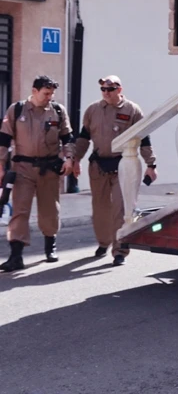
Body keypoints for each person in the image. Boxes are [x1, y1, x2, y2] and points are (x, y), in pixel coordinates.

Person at [73, 76, 157, 266]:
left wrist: (151, 164)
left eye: (110, 89)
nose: (106, 92)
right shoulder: (93, 110)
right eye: (103, 89)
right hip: (98, 165)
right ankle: (103, 242)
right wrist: (76, 159)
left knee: (120, 208)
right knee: (100, 208)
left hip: (122, 166)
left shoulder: (132, 110)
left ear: (119, 89)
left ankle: (120, 250)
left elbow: (144, 139)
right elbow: (83, 137)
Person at [0, 76, 75, 272]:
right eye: (46, 93)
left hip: (49, 168)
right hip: (22, 168)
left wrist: (69, 158)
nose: (49, 97)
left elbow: (67, 138)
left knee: (49, 210)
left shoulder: (58, 111)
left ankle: (50, 247)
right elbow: (4, 139)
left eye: (51, 94)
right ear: (34, 91)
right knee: (20, 211)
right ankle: (16, 255)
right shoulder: (16, 110)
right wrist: (0, 166)